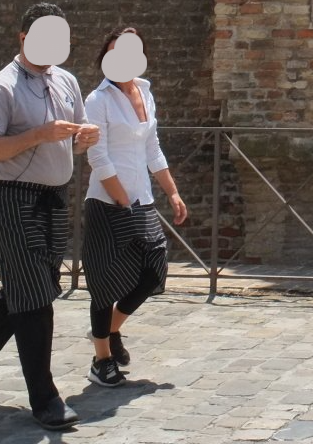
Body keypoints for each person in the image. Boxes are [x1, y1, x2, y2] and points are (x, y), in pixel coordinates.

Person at [0, 3, 98, 430]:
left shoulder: (66, 80)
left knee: (32, 287)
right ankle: (44, 397)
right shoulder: (1, 88)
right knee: (35, 298)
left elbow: (76, 144)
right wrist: (37, 136)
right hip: (14, 199)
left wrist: (85, 138)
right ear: (23, 38)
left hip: (54, 198)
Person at [81, 26, 188, 388]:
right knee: (104, 281)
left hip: (141, 198)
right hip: (108, 201)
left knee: (153, 270)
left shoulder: (144, 90)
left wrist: (172, 192)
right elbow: (98, 158)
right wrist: (121, 199)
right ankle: (101, 360)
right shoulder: (98, 100)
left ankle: (111, 331)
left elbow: (151, 147)